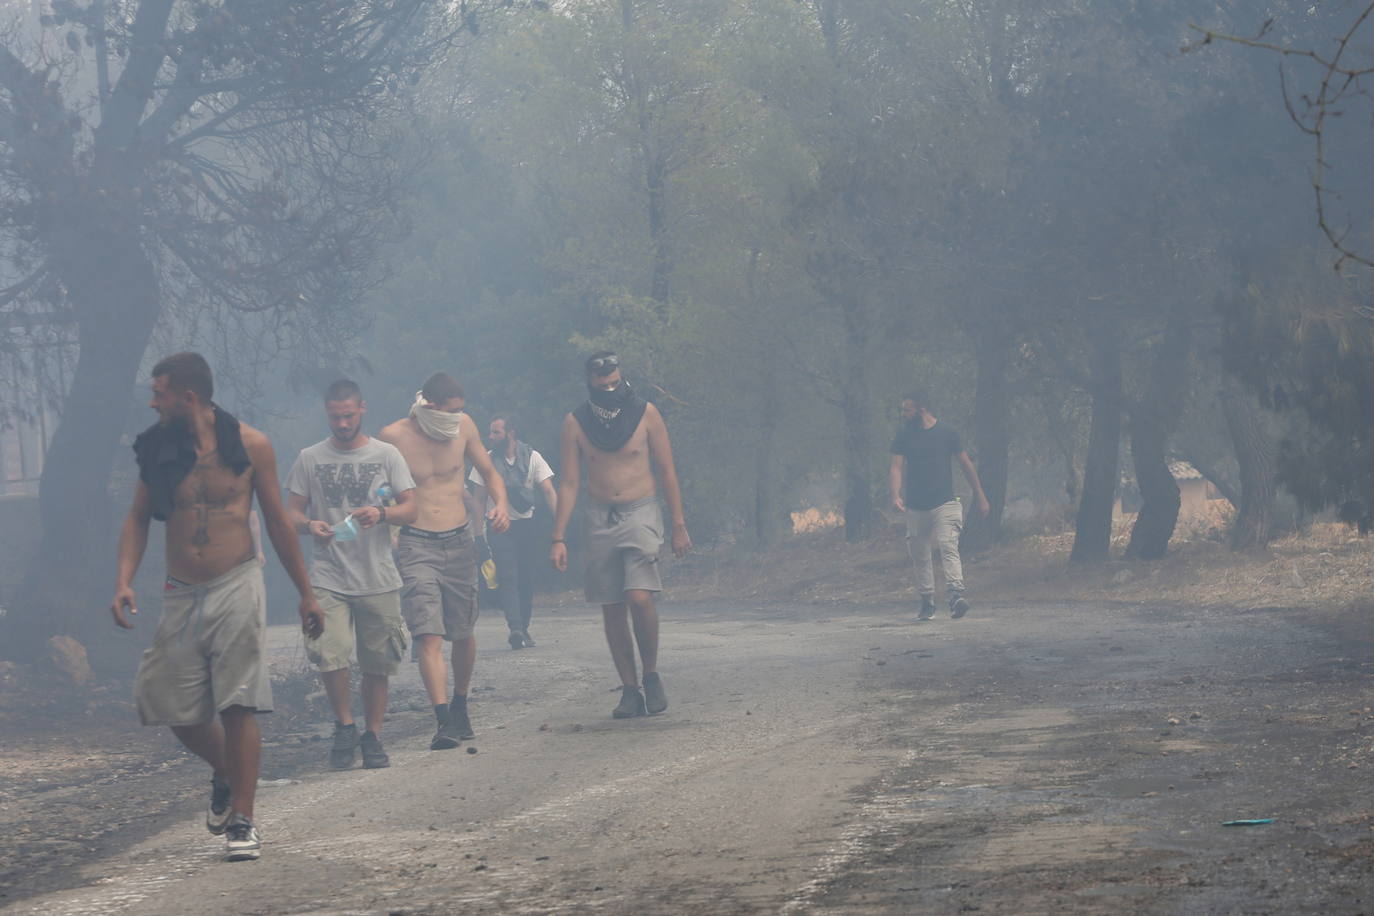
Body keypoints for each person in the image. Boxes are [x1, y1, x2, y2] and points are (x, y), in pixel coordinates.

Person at [110, 352, 325, 862]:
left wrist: (306, 591)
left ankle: (244, 820)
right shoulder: (159, 447)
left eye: (159, 392)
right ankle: (227, 771)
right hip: (181, 588)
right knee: (165, 702)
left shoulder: (251, 445)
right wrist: (122, 580)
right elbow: (139, 517)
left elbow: (275, 522)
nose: (152, 401)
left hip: (237, 582)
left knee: (238, 702)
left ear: (188, 397)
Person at [286, 380, 419, 770]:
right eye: (334, 417)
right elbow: (289, 513)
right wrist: (310, 524)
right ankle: (345, 724)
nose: (342, 424)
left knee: (378, 663)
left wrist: (382, 514)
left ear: (362, 409)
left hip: (378, 575)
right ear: (327, 413)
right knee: (331, 654)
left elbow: (411, 507)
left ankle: (372, 735)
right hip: (328, 576)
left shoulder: (387, 454)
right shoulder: (309, 458)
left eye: (348, 415)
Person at [550, 352, 691, 719]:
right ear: (590, 383)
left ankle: (652, 674)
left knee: (639, 597)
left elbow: (667, 470)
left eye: (614, 381)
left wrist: (678, 524)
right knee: (612, 605)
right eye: (602, 385)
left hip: (640, 510)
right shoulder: (576, 422)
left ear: (621, 375)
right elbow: (568, 482)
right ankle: (630, 689)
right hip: (599, 516)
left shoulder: (645, 413)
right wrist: (559, 536)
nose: (610, 388)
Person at [378, 373, 509, 750]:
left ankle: (461, 703)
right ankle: (442, 719)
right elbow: (380, 488)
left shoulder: (464, 426)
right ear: (430, 405)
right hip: (417, 543)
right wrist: (387, 526)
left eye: (460, 411)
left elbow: (489, 472)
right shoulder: (394, 437)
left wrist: (499, 505)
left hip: (459, 539)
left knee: (463, 631)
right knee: (428, 634)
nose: (456, 417)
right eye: (449, 411)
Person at [889, 391, 990, 620]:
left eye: (907, 409)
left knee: (948, 544)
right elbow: (896, 467)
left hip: (945, 502)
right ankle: (927, 600)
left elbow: (966, 464)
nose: (903, 414)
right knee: (919, 552)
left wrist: (981, 495)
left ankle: (955, 595)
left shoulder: (947, 433)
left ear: (921, 409)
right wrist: (895, 494)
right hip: (915, 505)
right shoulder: (903, 435)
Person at [470, 414, 557, 650]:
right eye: (490, 432)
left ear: (511, 433)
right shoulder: (486, 461)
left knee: (526, 579)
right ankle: (515, 628)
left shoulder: (532, 457)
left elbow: (548, 491)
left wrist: (560, 526)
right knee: (508, 577)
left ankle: (524, 628)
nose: (491, 437)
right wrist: (478, 534)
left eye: (496, 432)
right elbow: (478, 500)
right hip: (499, 525)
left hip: (526, 525)